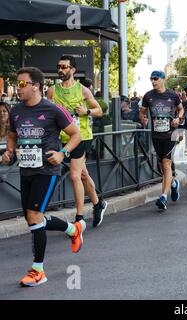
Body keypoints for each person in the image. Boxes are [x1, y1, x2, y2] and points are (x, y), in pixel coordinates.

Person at [2, 67, 83, 287]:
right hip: (26, 170)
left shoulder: (53, 109)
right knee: (33, 219)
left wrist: (62, 153)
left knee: (35, 216)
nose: (17, 89)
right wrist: (9, 151)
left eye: (21, 84)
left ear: (35, 85)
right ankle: (72, 229)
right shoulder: (16, 111)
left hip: (46, 171)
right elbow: (12, 135)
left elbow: (76, 134)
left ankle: (38, 270)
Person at [47, 55, 107, 228]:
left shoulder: (82, 90)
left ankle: (79, 218)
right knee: (82, 174)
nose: (60, 70)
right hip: (64, 139)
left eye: (64, 67)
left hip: (82, 137)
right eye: (59, 66)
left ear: (73, 69)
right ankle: (98, 204)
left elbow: (99, 110)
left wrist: (86, 111)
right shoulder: (52, 91)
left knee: (74, 175)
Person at [140, 70, 184, 210]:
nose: (153, 81)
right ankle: (173, 184)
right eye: (151, 79)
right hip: (156, 135)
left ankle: (164, 196)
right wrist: (143, 119)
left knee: (166, 163)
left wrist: (178, 118)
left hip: (170, 134)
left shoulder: (172, 95)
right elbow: (142, 111)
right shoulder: (148, 96)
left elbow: (181, 109)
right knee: (161, 165)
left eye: (156, 79)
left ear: (163, 79)